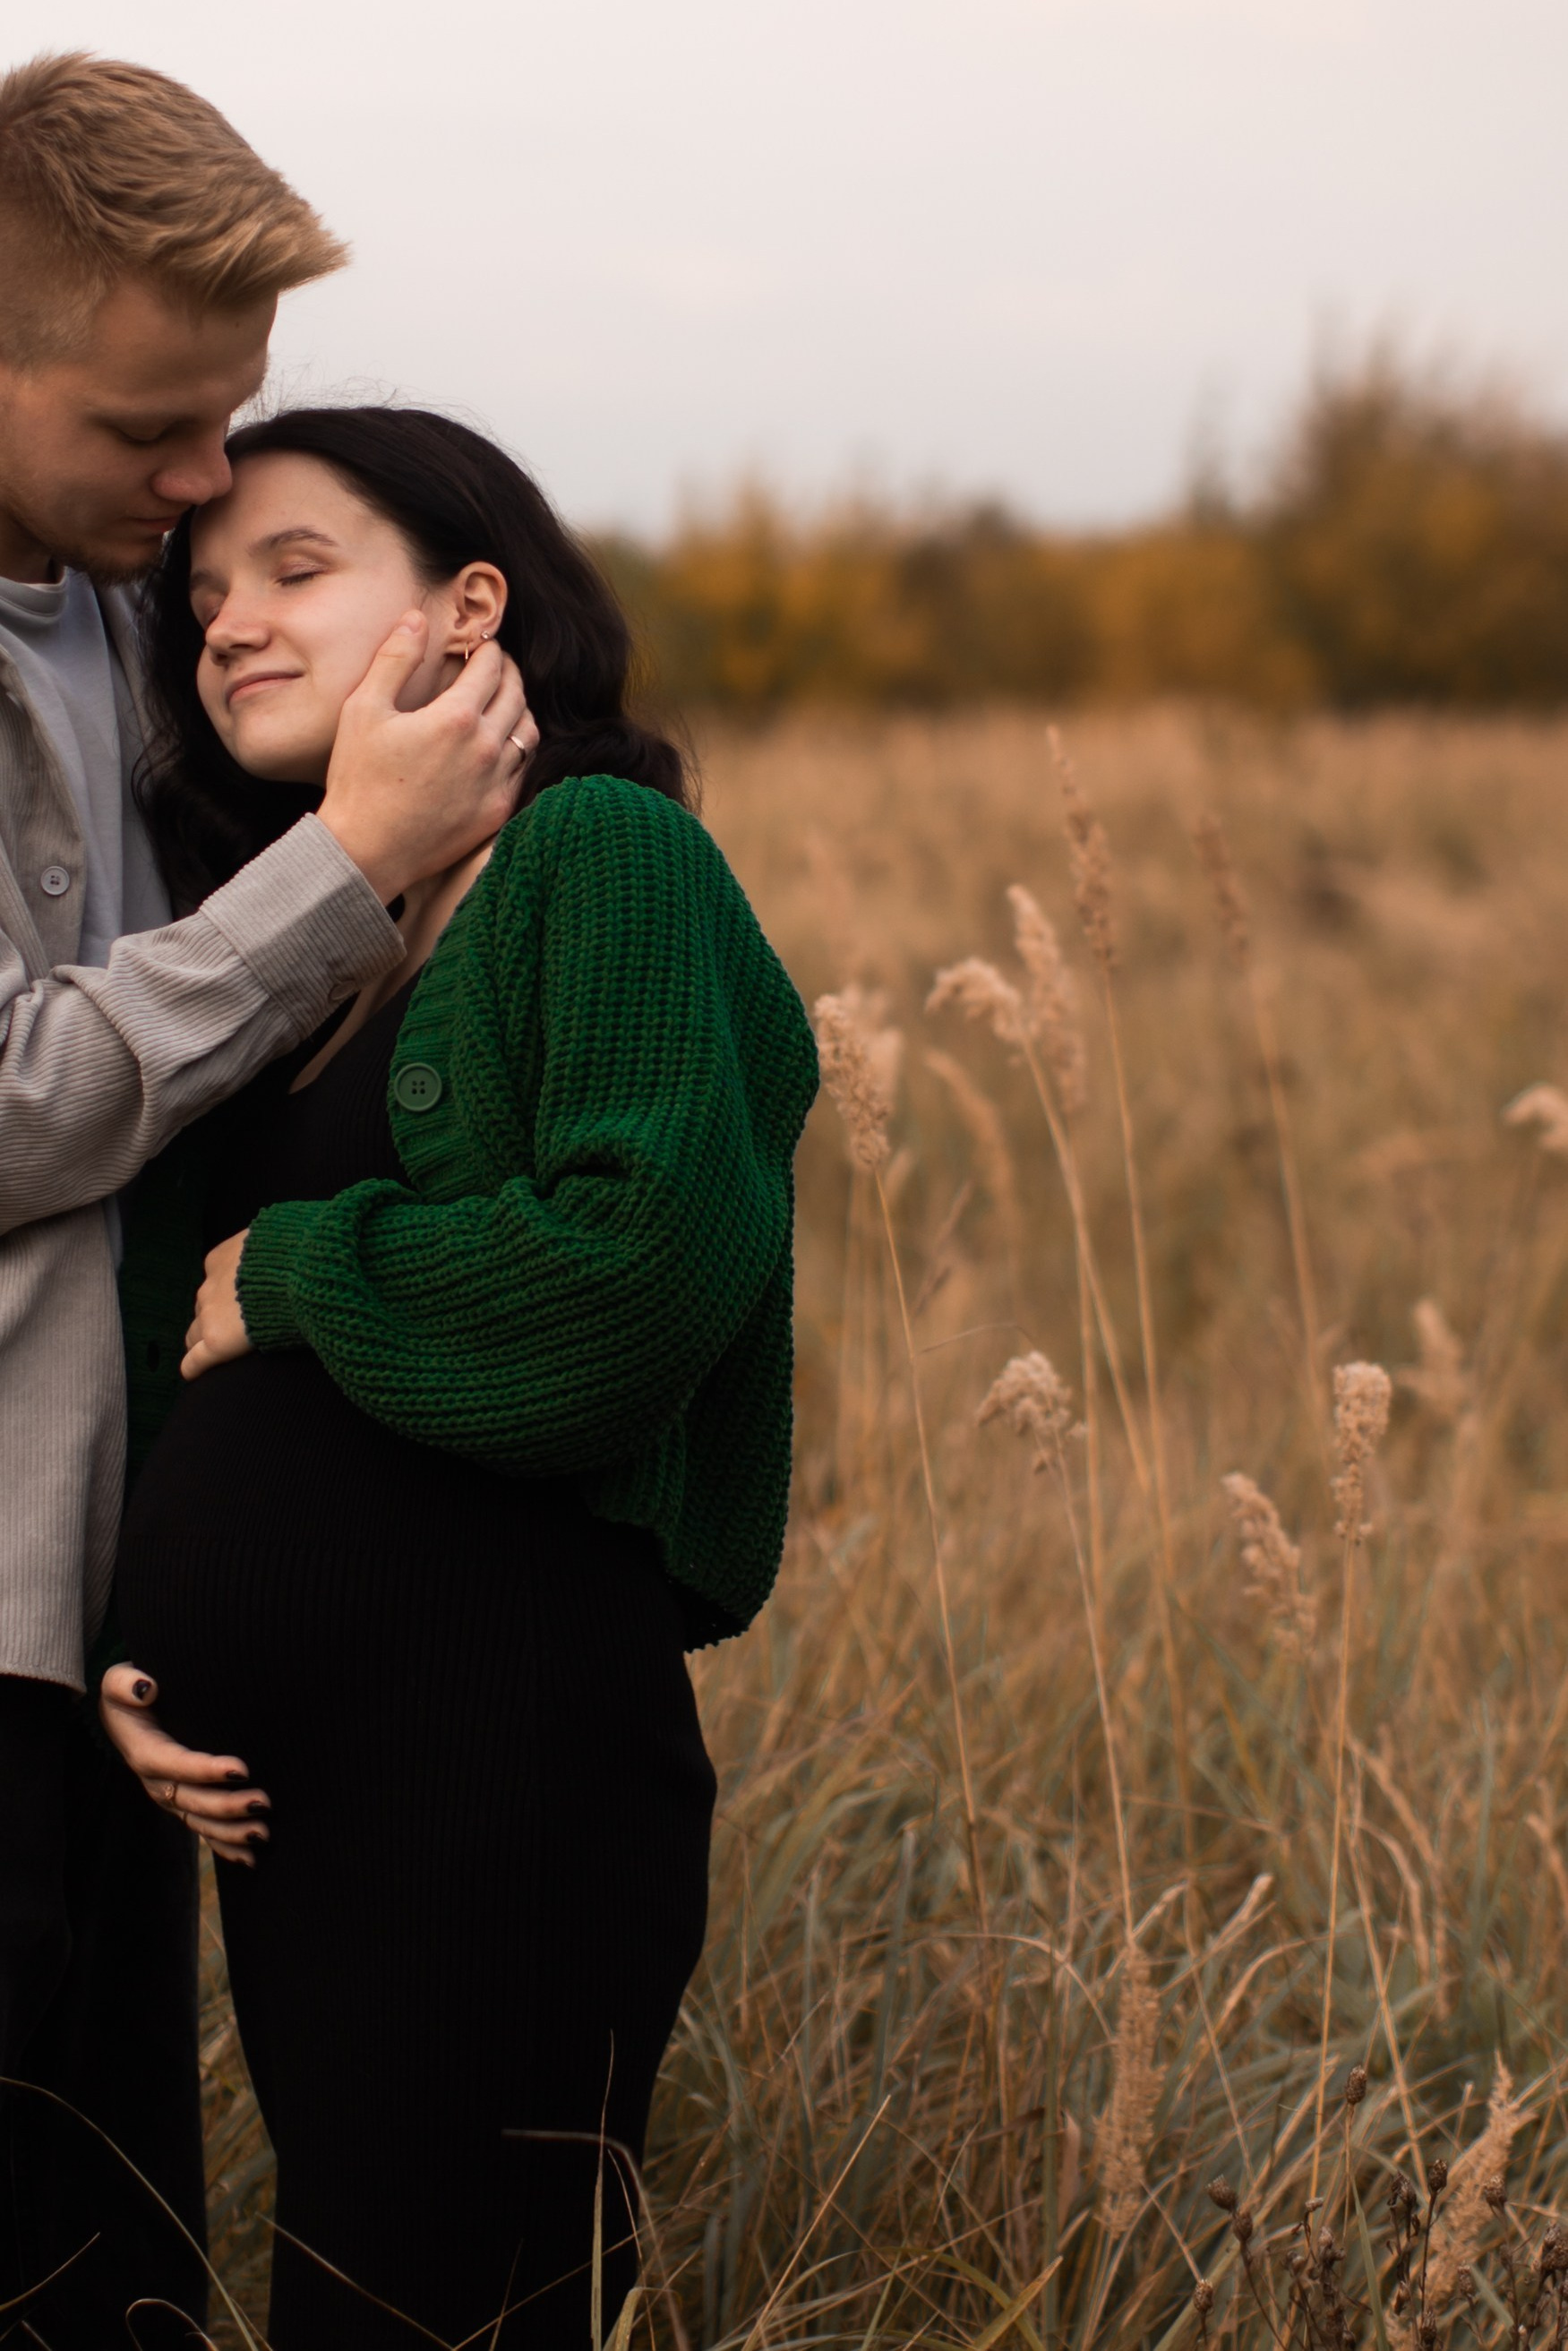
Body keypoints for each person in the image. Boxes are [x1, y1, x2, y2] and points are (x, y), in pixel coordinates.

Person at [99, 405, 818, 2349]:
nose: (227, 620)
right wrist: (142, 1650)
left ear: (470, 603)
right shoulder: (328, 944)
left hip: (502, 1760)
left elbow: (630, 1276)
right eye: (202, 592)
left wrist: (314, 1264)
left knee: (451, 2313)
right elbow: (192, 1338)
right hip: (315, 1794)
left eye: (296, 568)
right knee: (351, 2289)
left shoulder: (603, 854)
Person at [0, 56, 532, 2349]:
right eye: (150, 428)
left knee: (118, 2260)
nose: (206, 480)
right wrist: (350, 868)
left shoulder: (137, 610)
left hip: (100, 1644)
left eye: (237, 421)